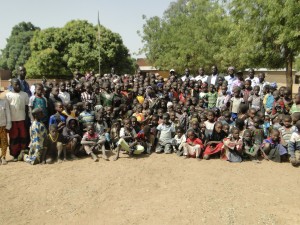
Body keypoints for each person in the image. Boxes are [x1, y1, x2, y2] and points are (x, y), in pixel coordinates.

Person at [6, 78, 30, 161]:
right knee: (14, 137)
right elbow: (7, 109)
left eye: (19, 84)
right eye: (15, 84)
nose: (18, 86)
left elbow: (26, 107)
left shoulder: (24, 95)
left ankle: (23, 152)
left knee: (23, 136)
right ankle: (15, 154)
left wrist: (27, 118)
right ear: (11, 85)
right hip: (13, 120)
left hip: (22, 119)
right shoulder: (8, 95)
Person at [0, 91, 11, 165]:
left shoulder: (4, 102)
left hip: (2, 125)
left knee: (4, 142)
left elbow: (8, 114)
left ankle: (3, 157)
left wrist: (8, 125)